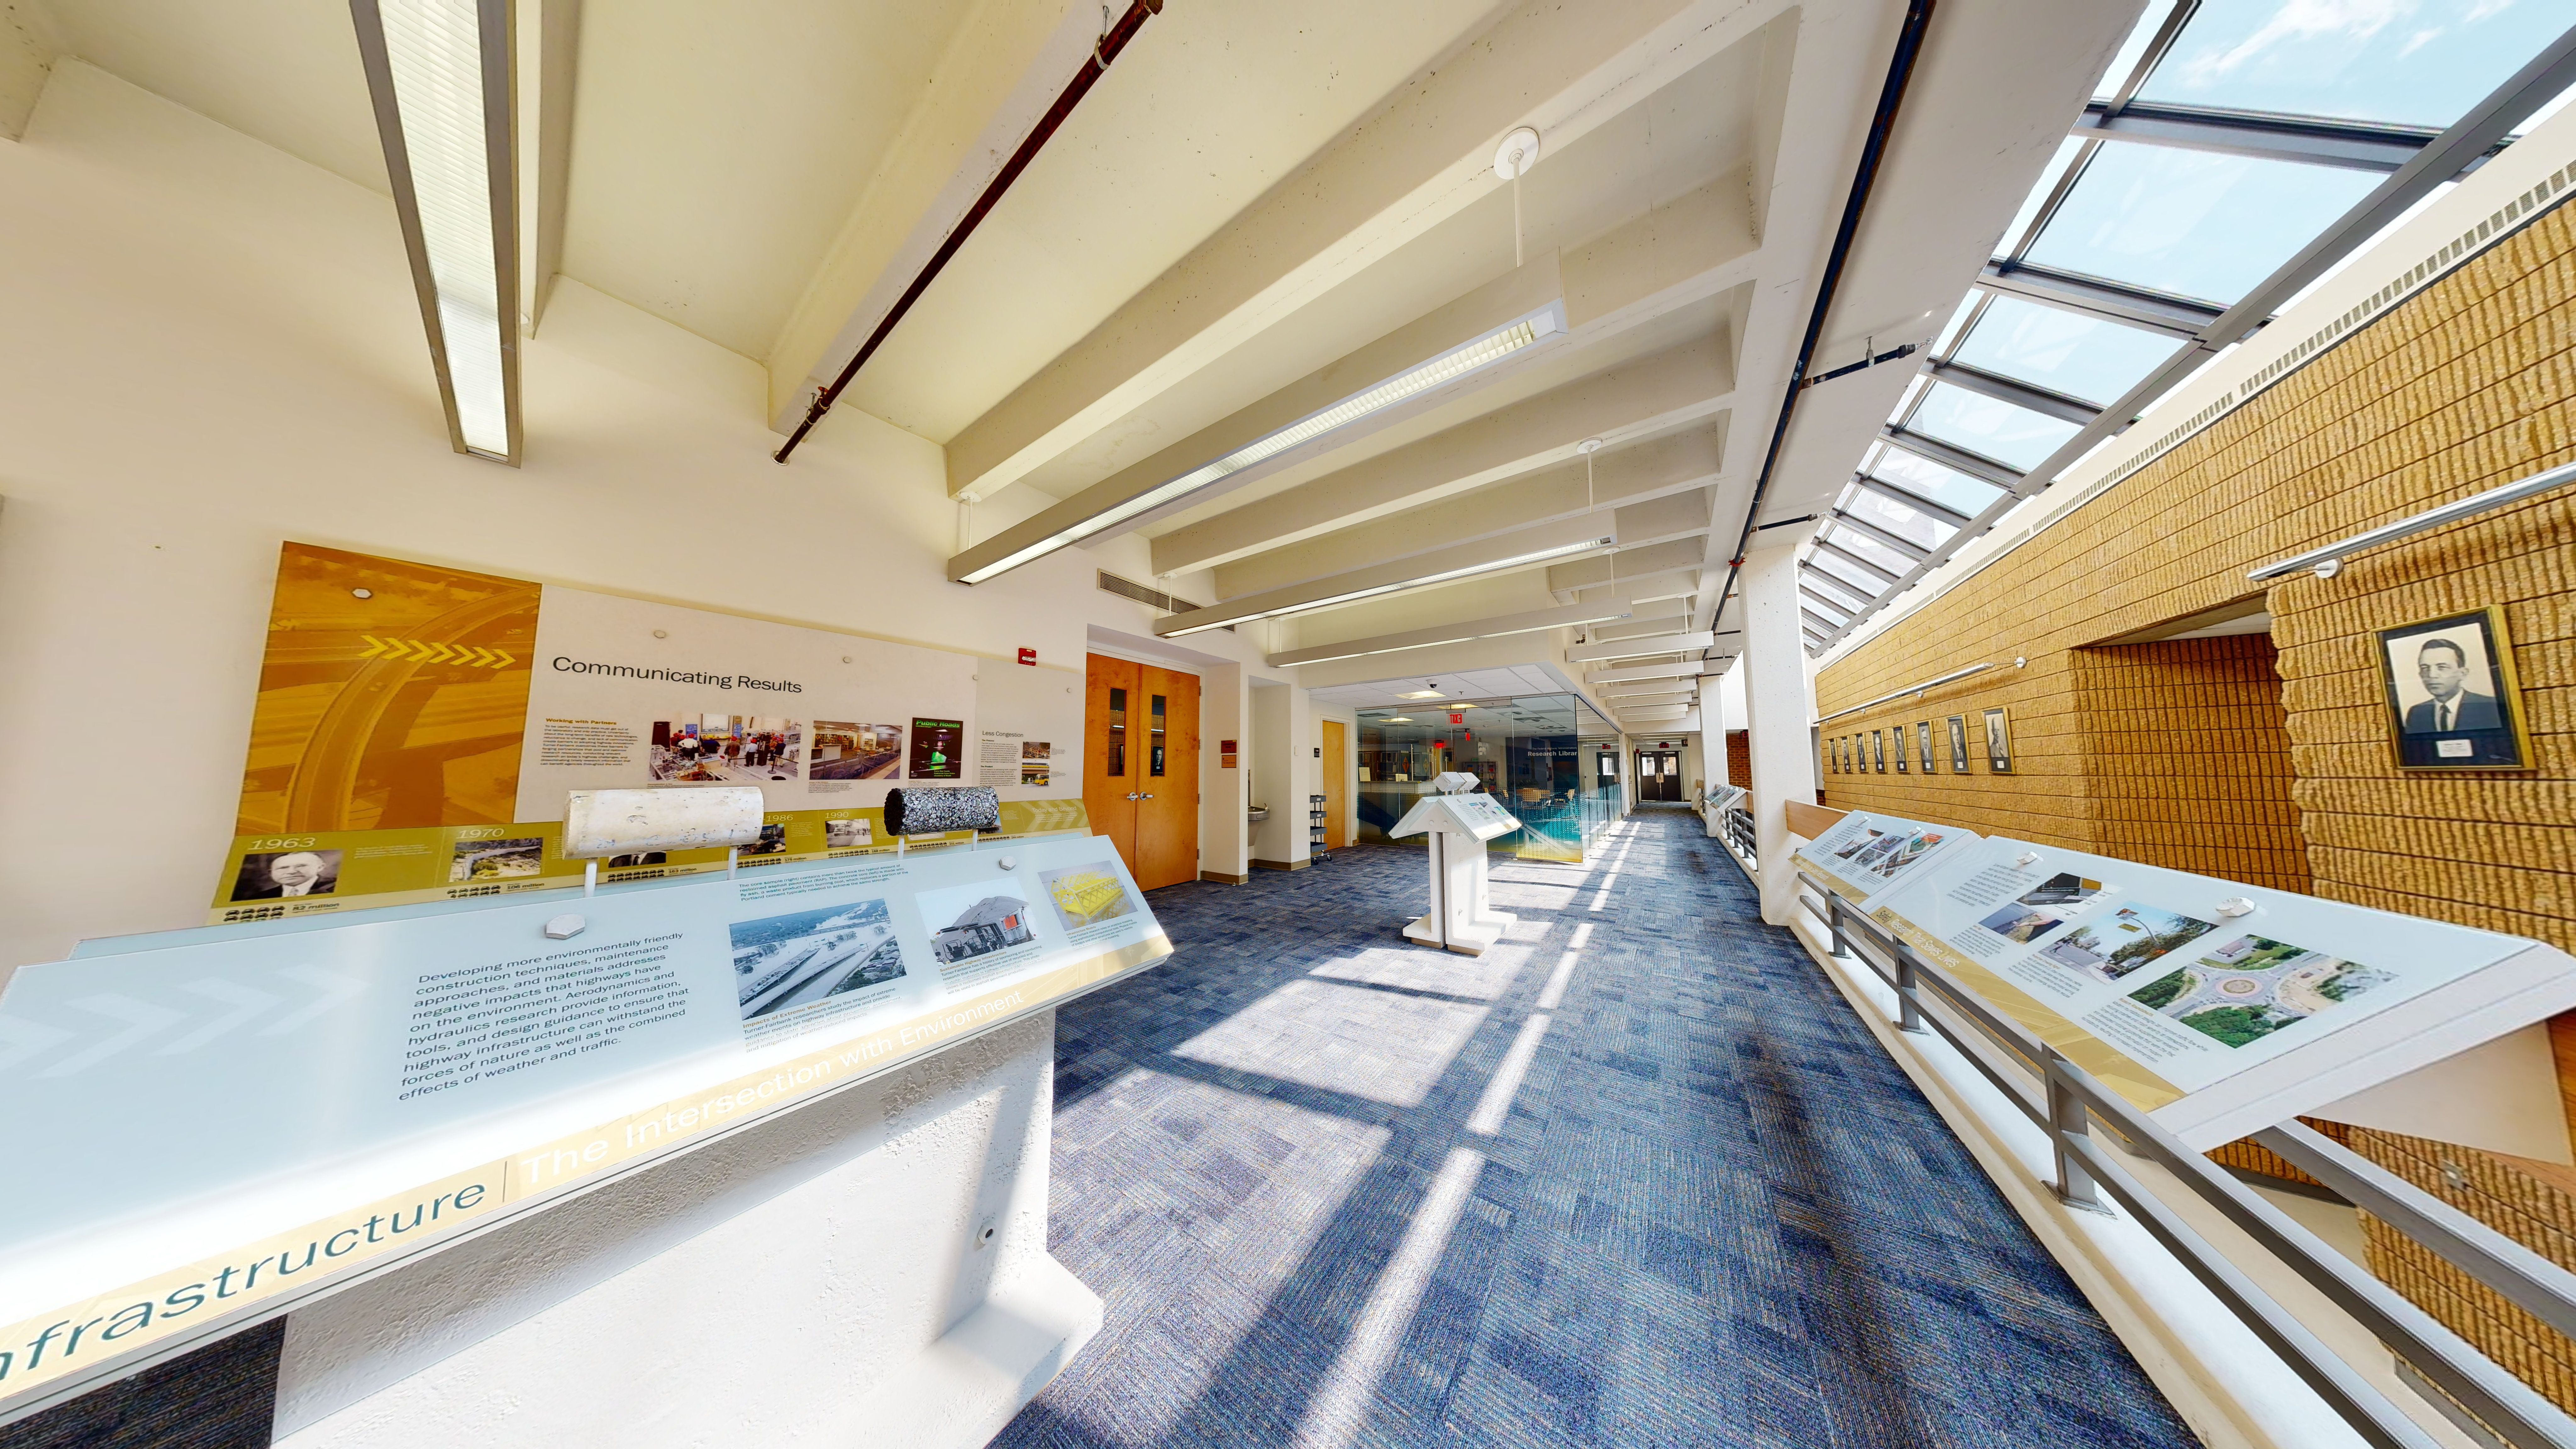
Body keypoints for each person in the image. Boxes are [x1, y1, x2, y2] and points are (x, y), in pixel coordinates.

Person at [2402, 638, 2502, 733]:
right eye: (2425, 668)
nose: (2432, 675)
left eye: (2442, 667)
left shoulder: (2490, 706)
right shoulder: (2417, 713)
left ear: (2463, 673)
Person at [239, 851, 334, 899]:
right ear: (271, 873)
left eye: (301, 866)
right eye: (283, 868)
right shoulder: (260, 897)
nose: (291, 872)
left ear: (320, 867)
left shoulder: (337, 888)